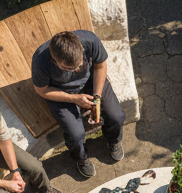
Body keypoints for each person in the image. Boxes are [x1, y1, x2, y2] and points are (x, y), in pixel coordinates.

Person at [31, 30, 126, 178]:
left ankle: (113, 140)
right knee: (76, 135)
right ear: (54, 60)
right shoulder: (40, 61)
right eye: (68, 69)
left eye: (79, 65)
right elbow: (42, 91)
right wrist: (74, 99)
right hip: (60, 91)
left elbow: (100, 66)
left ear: (81, 49)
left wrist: (97, 97)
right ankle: (80, 158)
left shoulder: (90, 40)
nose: (76, 70)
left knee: (117, 116)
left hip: (90, 82)